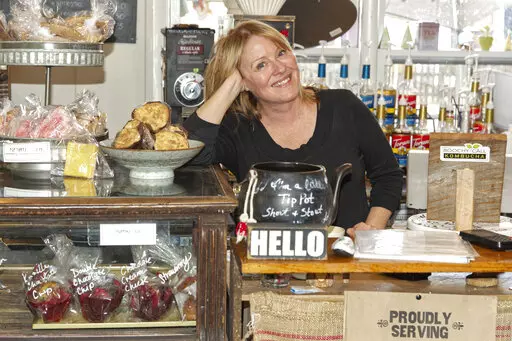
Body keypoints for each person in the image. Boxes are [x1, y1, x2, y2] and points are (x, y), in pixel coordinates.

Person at [183, 20, 403, 237]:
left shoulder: (343, 106)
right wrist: (232, 83)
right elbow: (188, 152)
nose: (280, 68)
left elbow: (388, 177)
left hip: (345, 263)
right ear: (243, 83)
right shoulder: (238, 128)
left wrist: (370, 231)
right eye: (261, 65)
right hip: (266, 269)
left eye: (281, 53)